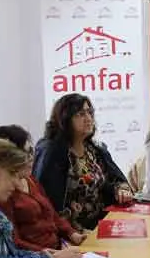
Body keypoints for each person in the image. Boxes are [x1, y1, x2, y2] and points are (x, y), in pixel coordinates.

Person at [34, 93, 132, 230]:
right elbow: (47, 202)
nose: (88, 118)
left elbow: (115, 180)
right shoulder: (53, 151)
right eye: (80, 114)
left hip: (103, 220)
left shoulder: (95, 149)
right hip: (72, 230)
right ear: (65, 119)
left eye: (89, 112)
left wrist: (121, 190)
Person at [0, 125, 87, 251]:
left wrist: (71, 233)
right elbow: (14, 241)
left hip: (59, 249)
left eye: (30, 151)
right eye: (24, 154)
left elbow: (52, 215)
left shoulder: (30, 180)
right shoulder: (3, 193)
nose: (31, 158)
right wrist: (48, 255)